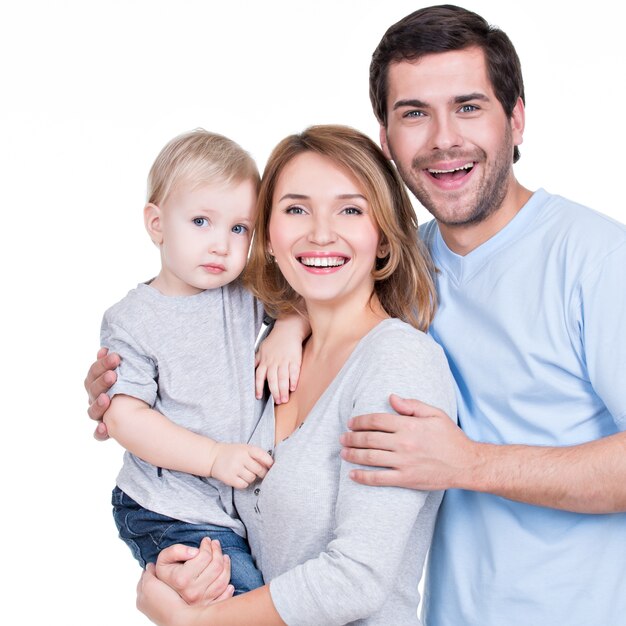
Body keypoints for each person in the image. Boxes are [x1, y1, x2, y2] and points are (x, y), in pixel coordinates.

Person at [338, 5, 626, 625]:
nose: (444, 138)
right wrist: (138, 382)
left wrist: (467, 462)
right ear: (387, 141)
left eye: (469, 107)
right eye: (414, 113)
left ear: (516, 119)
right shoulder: (397, 265)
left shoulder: (599, 260)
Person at [131, 124, 457, 624]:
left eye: (350, 209)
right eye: (296, 209)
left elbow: (357, 579)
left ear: (384, 237)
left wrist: (190, 621)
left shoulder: (397, 363)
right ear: (269, 237)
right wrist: (182, 573)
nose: (320, 232)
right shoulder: (263, 357)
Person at [99, 129, 306, 595]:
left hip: (227, 509)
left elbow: (303, 297)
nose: (221, 244)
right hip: (167, 507)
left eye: (238, 229)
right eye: (200, 222)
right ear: (156, 224)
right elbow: (124, 417)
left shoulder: (245, 291)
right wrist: (212, 457)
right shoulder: (133, 319)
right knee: (245, 600)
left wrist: (289, 328)